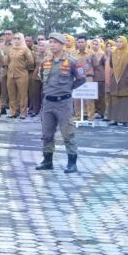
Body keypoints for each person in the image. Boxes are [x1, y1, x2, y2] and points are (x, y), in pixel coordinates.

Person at [36, 33, 86, 173]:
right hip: (48, 102)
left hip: (64, 102)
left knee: (68, 133)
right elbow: (41, 77)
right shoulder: (45, 61)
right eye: (50, 42)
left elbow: (81, 79)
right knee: (47, 134)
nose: (52, 44)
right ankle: (47, 161)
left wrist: (68, 88)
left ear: (62, 44)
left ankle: (72, 163)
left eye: (55, 42)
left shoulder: (72, 62)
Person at [108, 36, 128, 126]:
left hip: (126, 79)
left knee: (126, 100)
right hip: (115, 79)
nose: (118, 43)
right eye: (117, 41)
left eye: (121, 41)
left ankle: (125, 120)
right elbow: (111, 64)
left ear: (125, 42)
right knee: (115, 98)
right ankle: (115, 120)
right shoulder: (113, 52)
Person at [7, 33, 35, 119]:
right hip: (11, 75)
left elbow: (31, 62)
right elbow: (7, 60)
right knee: (11, 94)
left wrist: (23, 67)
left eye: (18, 38)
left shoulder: (25, 49)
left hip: (22, 75)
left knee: (22, 95)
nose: (16, 40)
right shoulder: (10, 49)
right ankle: (13, 112)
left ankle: (23, 113)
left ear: (22, 39)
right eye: (15, 38)